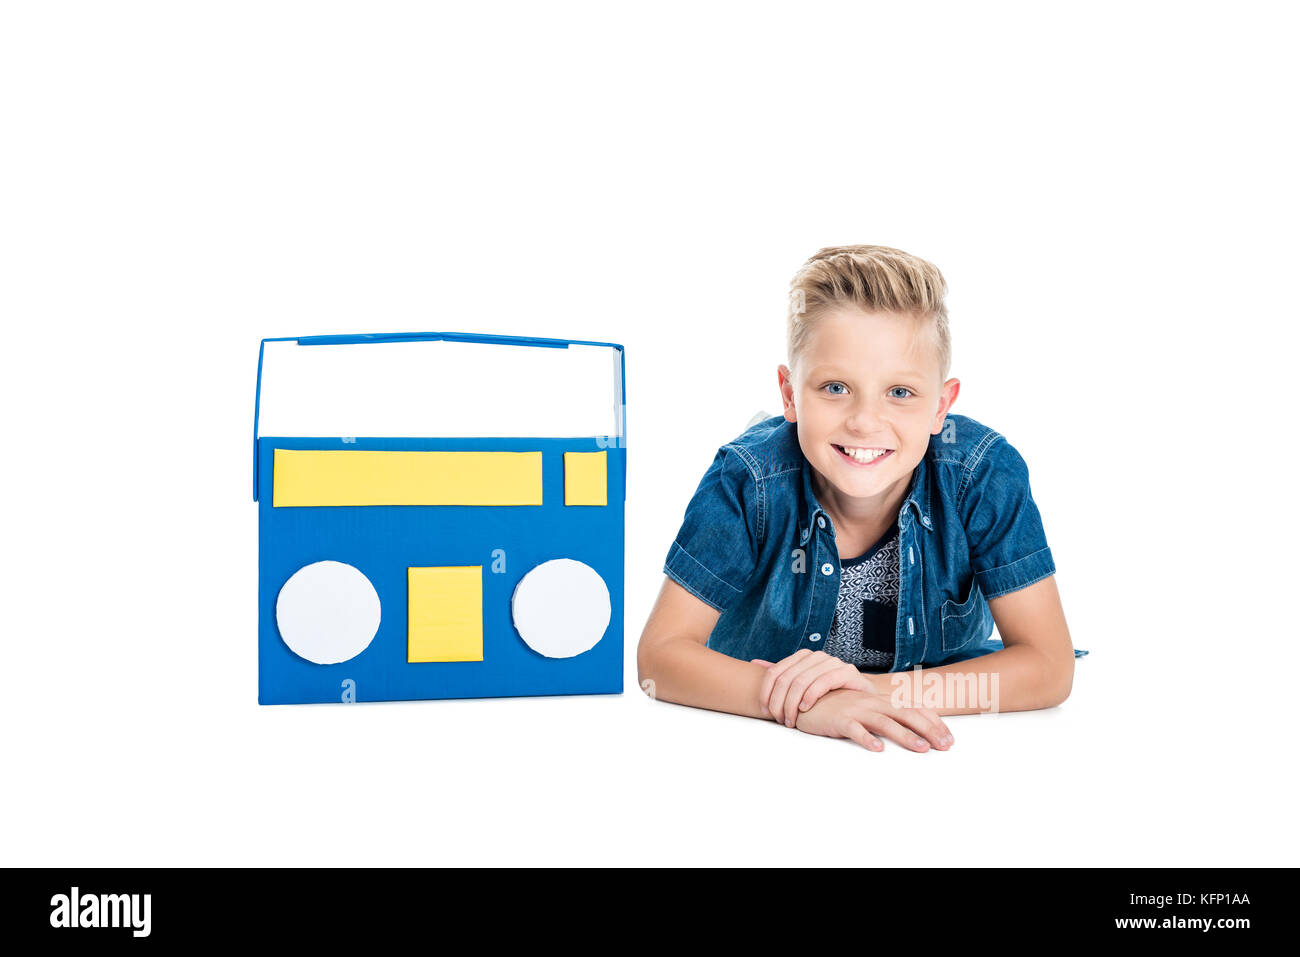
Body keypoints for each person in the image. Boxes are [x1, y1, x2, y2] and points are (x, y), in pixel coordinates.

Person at [636, 245, 1083, 752]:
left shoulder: (982, 474)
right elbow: (661, 656)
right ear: (789, 394)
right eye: (834, 387)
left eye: (899, 393)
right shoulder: (746, 481)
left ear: (941, 406)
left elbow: (1049, 667)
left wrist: (868, 692)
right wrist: (798, 703)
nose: (865, 421)